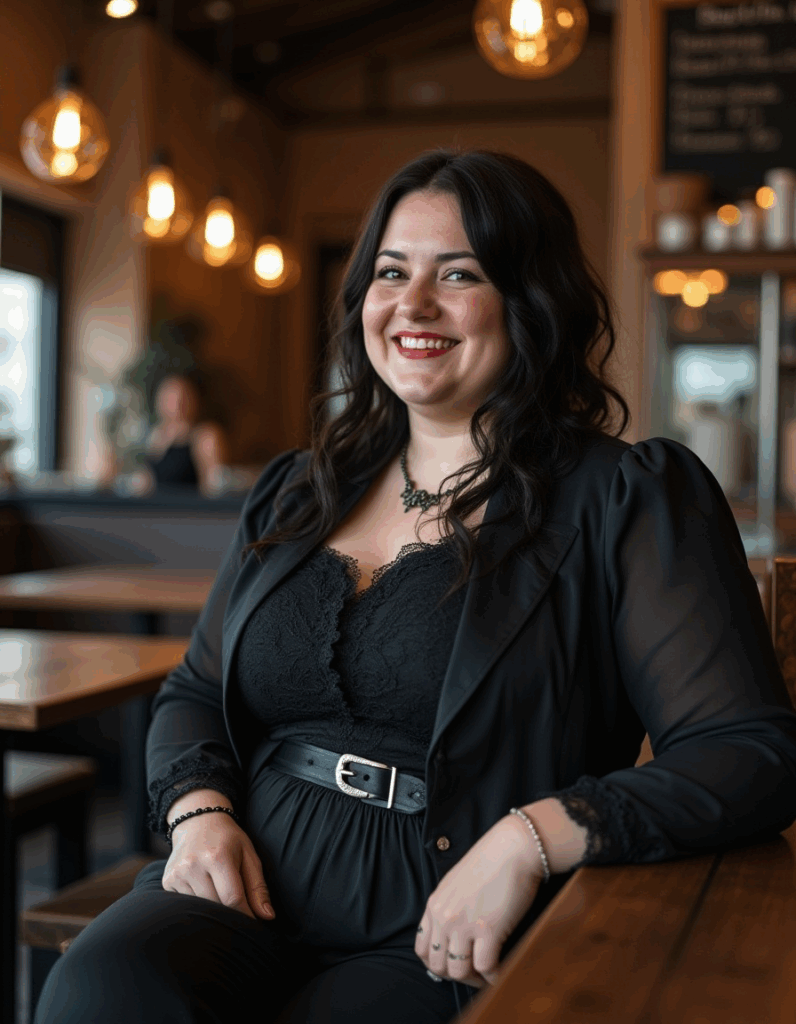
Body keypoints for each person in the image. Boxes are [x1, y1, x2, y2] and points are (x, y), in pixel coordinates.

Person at [35, 149, 796, 1024]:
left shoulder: (625, 496)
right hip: (243, 881)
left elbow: (752, 752)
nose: (414, 304)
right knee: (99, 987)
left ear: (530, 300)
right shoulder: (298, 489)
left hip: (454, 915)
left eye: (459, 274)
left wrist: (532, 839)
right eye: (391, 272)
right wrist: (198, 813)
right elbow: (197, 688)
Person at [141, 373, 229, 494]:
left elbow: (214, 484)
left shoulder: (204, 437)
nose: (177, 404)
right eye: (171, 398)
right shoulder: (155, 436)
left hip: (187, 504)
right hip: (156, 504)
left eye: (182, 397)